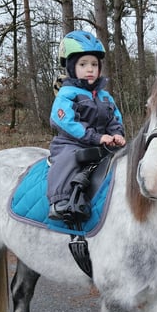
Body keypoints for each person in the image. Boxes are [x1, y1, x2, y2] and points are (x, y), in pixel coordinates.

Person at [47, 30, 126, 221]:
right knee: (69, 159)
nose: (90, 69)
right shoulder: (67, 94)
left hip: (102, 145)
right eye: (83, 64)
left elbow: (114, 119)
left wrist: (117, 135)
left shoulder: (105, 97)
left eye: (94, 64)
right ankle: (60, 200)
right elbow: (65, 121)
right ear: (72, 68)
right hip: (72, 143)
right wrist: (95, 137)